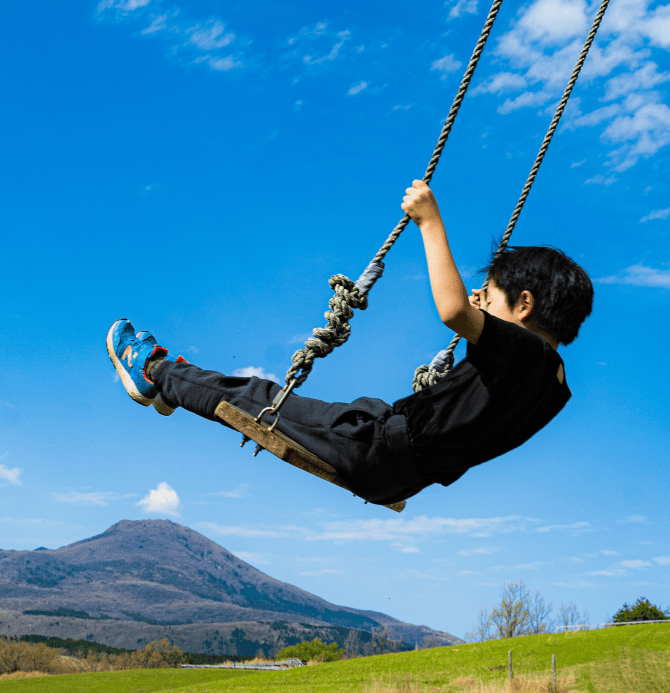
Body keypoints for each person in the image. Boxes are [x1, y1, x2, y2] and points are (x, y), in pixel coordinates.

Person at [107, 180, 593, 507]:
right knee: (273, 405)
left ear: (524, 304)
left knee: (254, 400)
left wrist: (429, 219)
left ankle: (154, 373)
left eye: (489, 294)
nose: (478, 297)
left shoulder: (527, 354)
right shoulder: (554, 387)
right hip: (403, 474)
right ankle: (175, 386)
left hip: (378, 445)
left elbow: (452, 311)